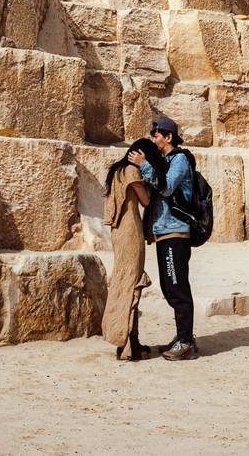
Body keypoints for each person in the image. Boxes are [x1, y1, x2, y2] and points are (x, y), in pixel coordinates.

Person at [128, 116, 198, 361]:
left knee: (178, 288)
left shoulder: (179, 160)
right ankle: (183, 337)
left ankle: (186, 343)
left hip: (176, 232)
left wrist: (144, 164)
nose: (154, 140)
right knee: (169, 288)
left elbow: (166, 188)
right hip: (163, 233)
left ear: (168, 137)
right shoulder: (166, 160)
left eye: (157, 136)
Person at [101, 137, 165, 361]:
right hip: (130, 232)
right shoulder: (131, 171)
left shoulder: (117, 170)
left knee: (125, 281)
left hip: (120, 232)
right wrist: (148, 171)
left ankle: (129, 341)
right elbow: (146, 200)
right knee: (131, 283)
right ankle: (128, 344)